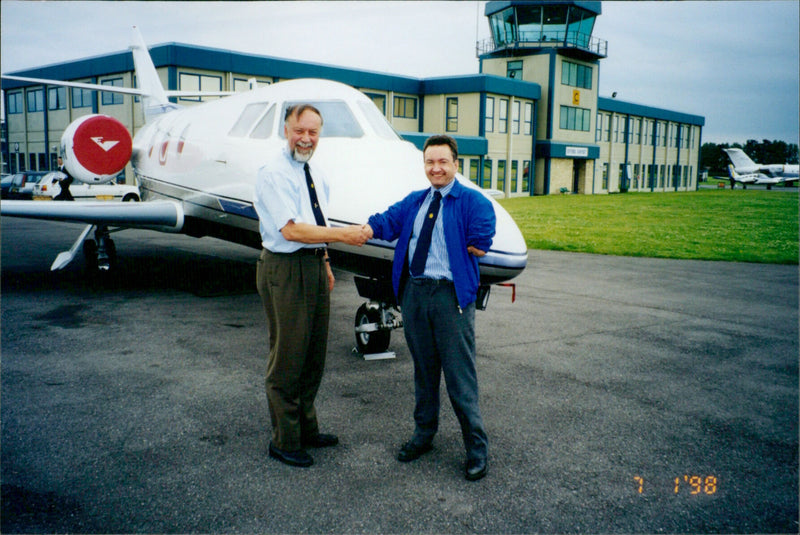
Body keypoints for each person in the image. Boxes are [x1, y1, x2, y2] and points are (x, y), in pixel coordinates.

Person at [364, 135, 496, 481]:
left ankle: (476, 449)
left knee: (458, 377)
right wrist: (364, 228)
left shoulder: (470, 201)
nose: (435, 168)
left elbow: (483, 231)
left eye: (442, 162)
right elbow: (387, 220)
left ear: (456, 164)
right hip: (415, 295)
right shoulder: (416, 201)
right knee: (424, 372)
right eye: (429, 162)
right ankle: (424, 435)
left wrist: (479, 242)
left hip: (450, 299)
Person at [254, 104, 370, 468]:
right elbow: (291, 230)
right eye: (299, 130)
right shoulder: (272, 173)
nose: (306, 138)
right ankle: (284, 440)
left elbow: (313, 224)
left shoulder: (315, 172)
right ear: (285, 130)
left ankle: (306, 427)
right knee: (288, 357)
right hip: (285, 267)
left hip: (313, 266)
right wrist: (343, 237)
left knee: (313, 355)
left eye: (313, 132)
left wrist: (324, 262)